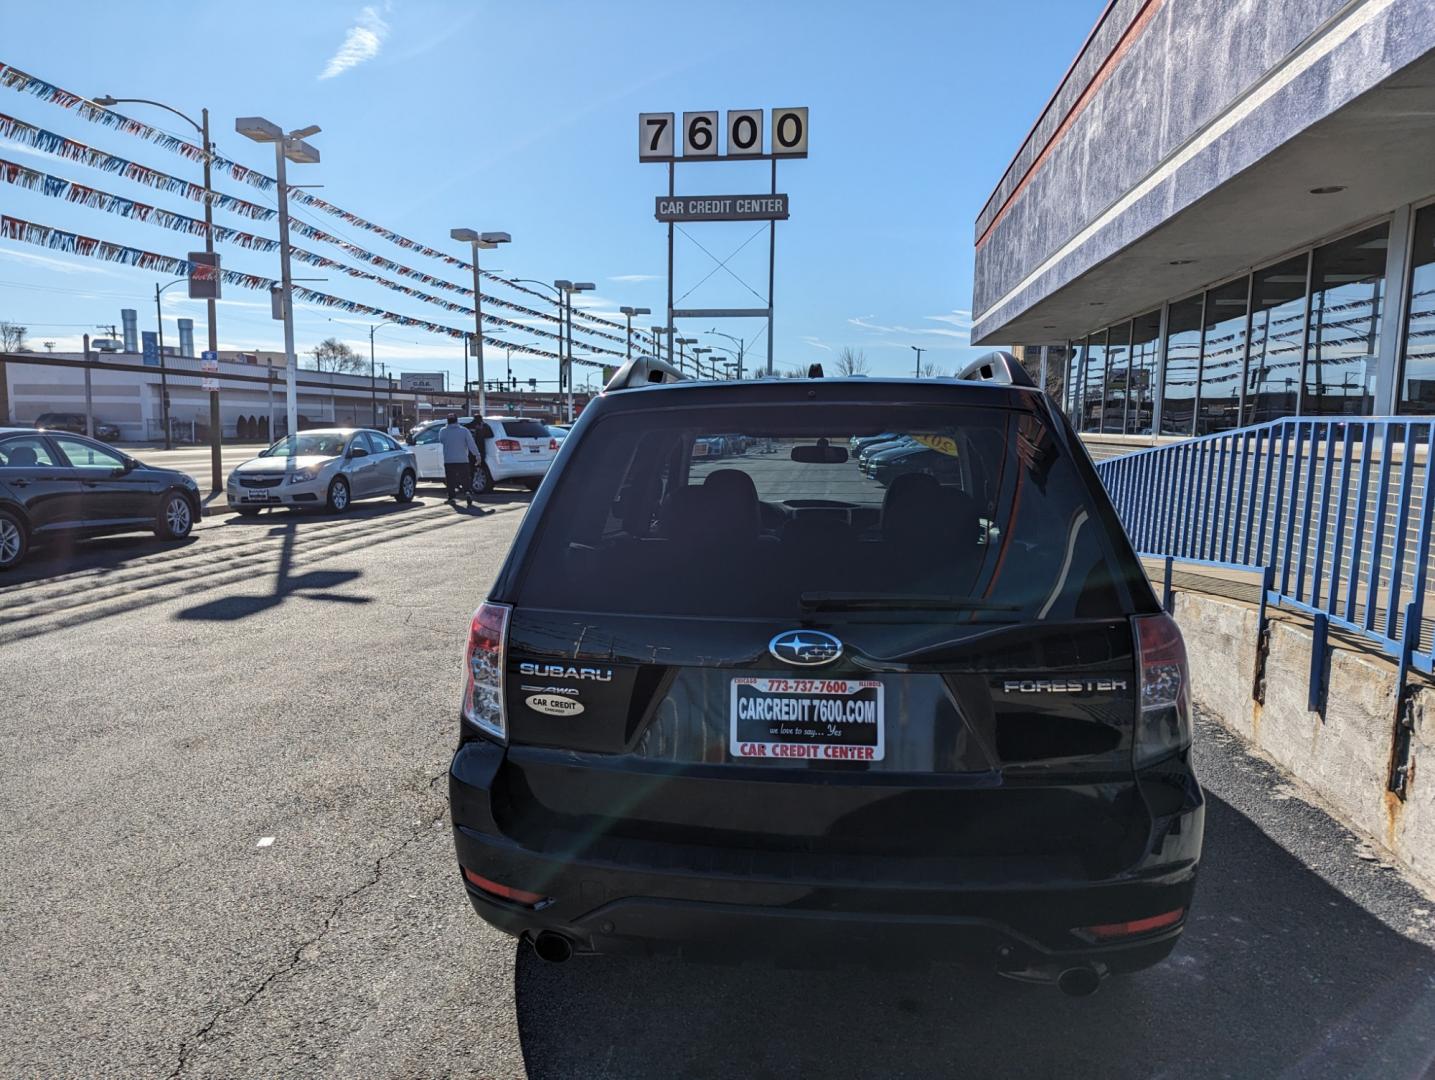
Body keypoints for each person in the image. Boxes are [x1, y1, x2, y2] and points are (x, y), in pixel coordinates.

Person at [438, 413, 481, 507]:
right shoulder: (464, 431)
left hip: (449, 460)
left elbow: (441, 440)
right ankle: (468, 492)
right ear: (457, 421)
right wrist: (477, 455)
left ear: (447, 421)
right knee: (465, 478)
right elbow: (471, 444)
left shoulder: (443, 431)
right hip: (463, 459)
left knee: (450, 480)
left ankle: (451, 497)